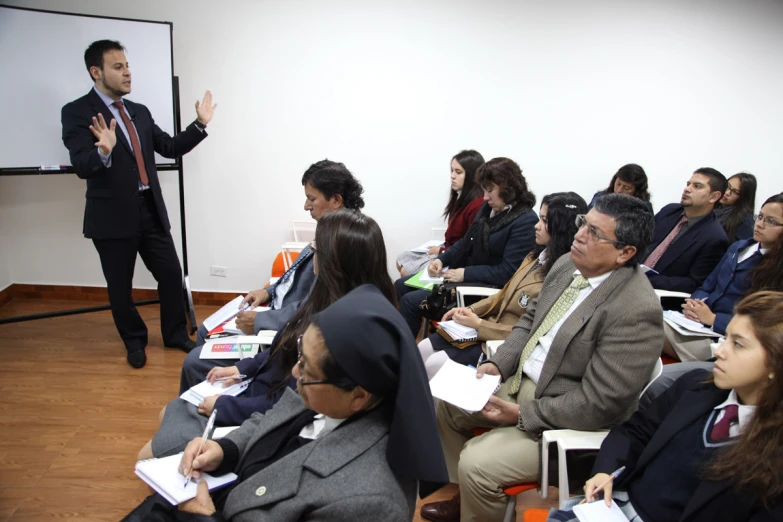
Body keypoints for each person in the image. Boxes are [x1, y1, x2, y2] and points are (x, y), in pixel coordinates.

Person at [420, 194, 662, 522]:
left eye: (594, 233)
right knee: (448, 406)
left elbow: (599, 404)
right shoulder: (566, 266)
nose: (579, 235)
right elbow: (528, 323)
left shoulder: (636, 310)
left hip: (568, 415)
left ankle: (476, 496)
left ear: (626, 252)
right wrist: (497, 365)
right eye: (582, 224)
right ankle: (464, 499)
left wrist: (522, 414)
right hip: (523, 381)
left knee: (478, 464)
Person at [123, 285, 449, 522]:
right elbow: (268, 422)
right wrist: (226, 450)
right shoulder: (324, 392)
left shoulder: (368, 503)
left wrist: (203, 518)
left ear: (359, 396)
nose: (295, 373)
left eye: (306, 367)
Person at [138, 211, 396, 460]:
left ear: (334, 262)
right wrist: (241, 369)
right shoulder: (328, 297)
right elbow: (283, 346)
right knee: (167, 414)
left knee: (147, 453)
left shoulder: (336, 332)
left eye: (316, 248)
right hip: (255, 390)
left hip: (259, 412)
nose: (311, 252)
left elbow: (290, 406)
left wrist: (224, 407)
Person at [547, 291, 783, 522]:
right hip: (617, 507)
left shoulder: (774, 451)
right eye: (726, 339)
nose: (720, 351)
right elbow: (635, 432)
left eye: (738, 345)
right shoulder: (695, 388)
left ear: (776, 364)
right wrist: (605, 470)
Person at [61, 40, 217, 368]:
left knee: (172, 276)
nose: (127, 72)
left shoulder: (139, 111)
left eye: (127, 65)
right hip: (112, 217)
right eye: (118, 67)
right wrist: (103, 151)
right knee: (121, 288)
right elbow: (81, 165)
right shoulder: (76, 112)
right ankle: (134, 342)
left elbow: (170, 147)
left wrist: (200, 124)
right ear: (96, 72)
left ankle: (174, 334)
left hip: (150, 208)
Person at [418, 192, 587, 379]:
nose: (536, 226)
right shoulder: (535, 257)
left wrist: (480, 325)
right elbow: (504, 294)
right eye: (540, 218)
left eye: (544, 221)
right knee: (423, 347)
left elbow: (534, 331)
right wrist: (470, 309)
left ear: (561, 227)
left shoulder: (564, 275)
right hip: (488, 326)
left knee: (435, 364)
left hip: (504, 343)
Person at [195, 159, 365, 344]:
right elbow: (296, 278)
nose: (306, 206)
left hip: (286, 324)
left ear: (336, 200)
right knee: (205, 330)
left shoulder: (342, 241)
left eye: (312, 198)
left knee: (202, 340)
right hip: (277, 310)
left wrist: (260, 320)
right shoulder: (332, 228)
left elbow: (314, 307)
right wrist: (268, 292)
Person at [396, 157, 538, 337]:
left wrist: (464, 273)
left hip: (484, 291)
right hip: (466, 278)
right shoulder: (489, 208)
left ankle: (405, 358)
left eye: (489, 191)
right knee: (400, 285)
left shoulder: (525, 221)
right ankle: (404, 349)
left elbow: (507, 272)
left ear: (506, 188)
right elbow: (465, 241)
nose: (485, 197)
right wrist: (441, 260)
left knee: (409, 302)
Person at [664, 194, 783, 361]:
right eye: (760, 216)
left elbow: (761, 322)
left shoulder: (777, 269)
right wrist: (694, 304)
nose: (760, 224)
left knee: (648, 331)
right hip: (696, 325)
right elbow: (707, 285)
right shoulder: (738, 247)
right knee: (644, 320)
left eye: (771, 221)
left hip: (725, 338)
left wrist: (713, 319)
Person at [396, 150, 485, 277]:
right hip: (447, 248)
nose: (452, 176)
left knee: (405, 271)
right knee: (401, 260)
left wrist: (441, 251)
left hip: (456, 258)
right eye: (452, 171)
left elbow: (469, 246)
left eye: (458, 172)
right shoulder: (461, 197)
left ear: (472, 176)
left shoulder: (477, 205)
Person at [643, 168, 729, 293]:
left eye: (697, 186)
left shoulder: (714, 238)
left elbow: (694, 283)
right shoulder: (669, 211)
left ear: (713, 197)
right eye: (688, 184)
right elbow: (643, 243)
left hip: (659, 296)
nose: (687, 189)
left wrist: (646, 280)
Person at [588, 163, 652, 211]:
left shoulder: (643, 208)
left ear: (637, 190)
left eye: (626, 188)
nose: (619, 190)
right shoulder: (600, 197)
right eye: (618, 184)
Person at [715, 172, 757, 243]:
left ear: (744, 197)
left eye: (735, 192)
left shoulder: (745, 222)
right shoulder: (712, 206)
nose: (727, 193)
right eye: (727, 186)